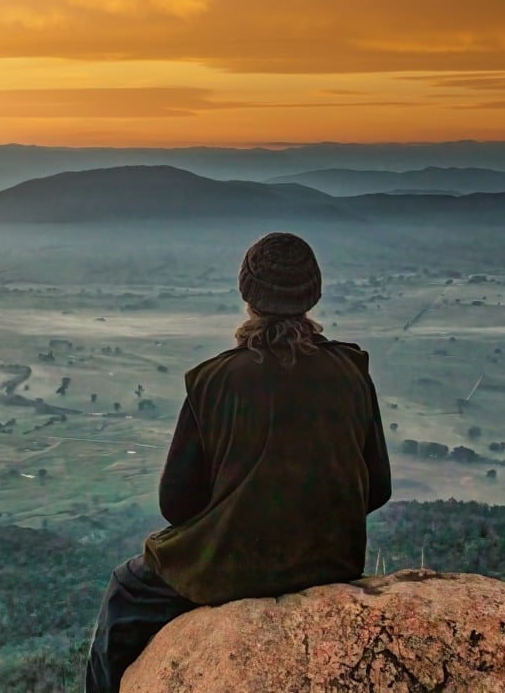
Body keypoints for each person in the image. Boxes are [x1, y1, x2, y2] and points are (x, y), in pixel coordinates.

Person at [84, 231, 392, 693]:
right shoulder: (351, 371)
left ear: (248, 294)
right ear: (312, 295)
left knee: (126, 590)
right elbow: (378, 487)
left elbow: (176, 504)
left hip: (237, 566)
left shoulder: (214, 380)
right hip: (334, 559)